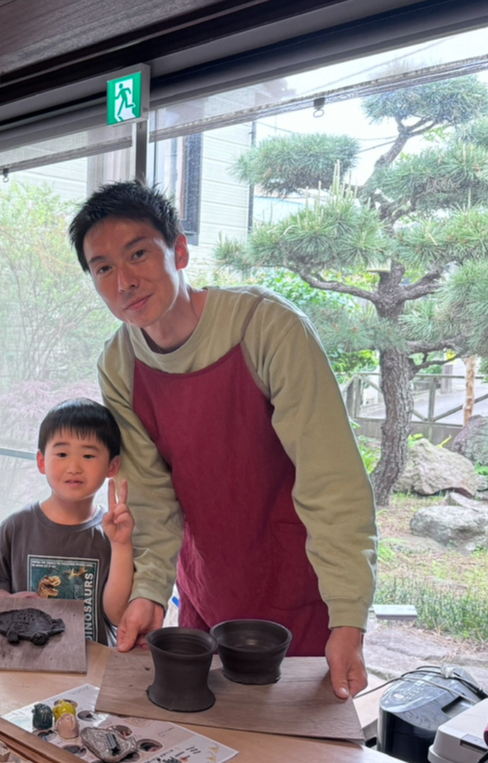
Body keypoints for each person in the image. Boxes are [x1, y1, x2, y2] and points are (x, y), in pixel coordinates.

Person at [67, 180, 377, 700]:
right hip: (206, 590)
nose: (124, 281)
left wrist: (349, 615)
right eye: (102, 268)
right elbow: (150, 493)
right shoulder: (120, 363)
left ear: (180, 250)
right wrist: (150, 592)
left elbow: (331, 479)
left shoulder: (267, 328)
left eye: (138, 254)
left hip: (300, 592)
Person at [0, 398, 135, 645]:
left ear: (112, 466)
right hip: (27, 660)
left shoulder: (112, 535)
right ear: (42, 461)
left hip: (94, 664)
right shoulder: (17, 527)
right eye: (61, 453)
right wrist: (7, 600)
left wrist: (122, 546)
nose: (73, 467)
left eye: (88, 455)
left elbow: (117, 615)